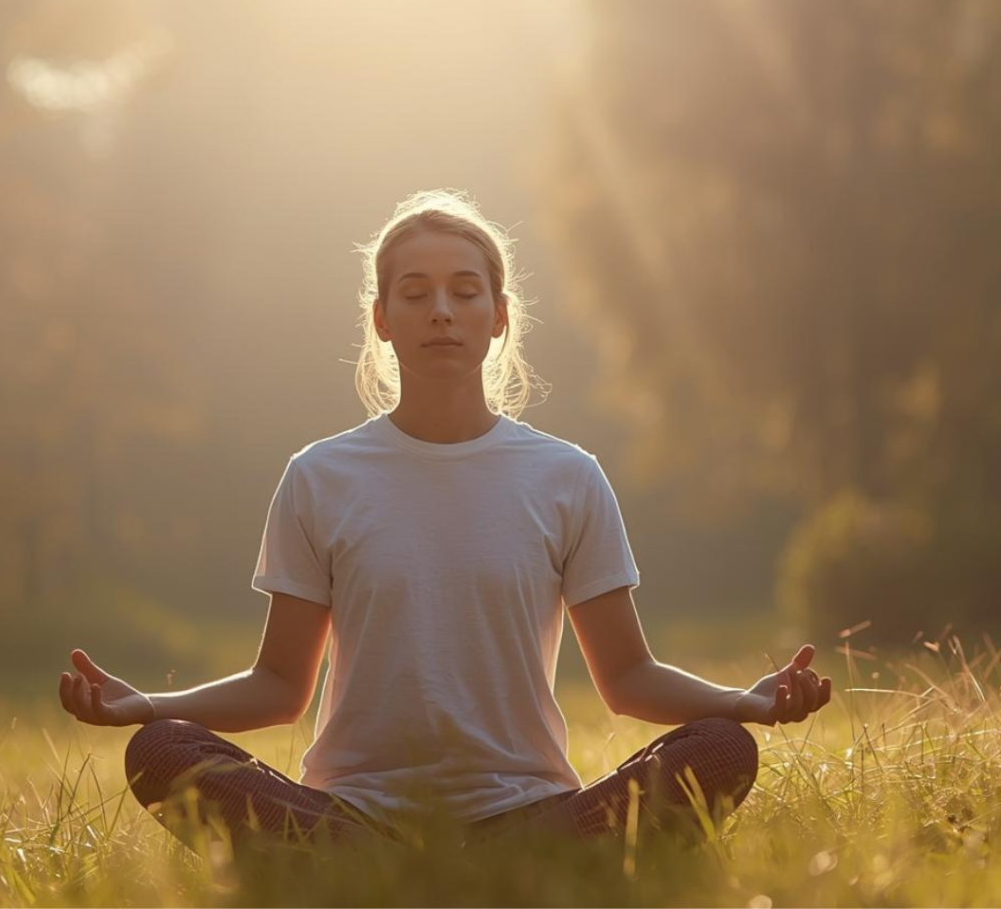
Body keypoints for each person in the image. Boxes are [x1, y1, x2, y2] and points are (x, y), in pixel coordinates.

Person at [57, 190, 831, 857]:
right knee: (160, 753)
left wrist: (748, 703)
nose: (440, 312)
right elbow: (280, 687)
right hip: (354, 815)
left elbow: (627, 680)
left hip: (532, 814)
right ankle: (381, 867)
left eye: (465, 292)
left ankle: (489, 869)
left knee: (722, 749)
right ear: (382, 318)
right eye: (415, 293)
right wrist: (147, 709)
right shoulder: (320, 478)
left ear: (498, 317)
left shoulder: (567, 477)